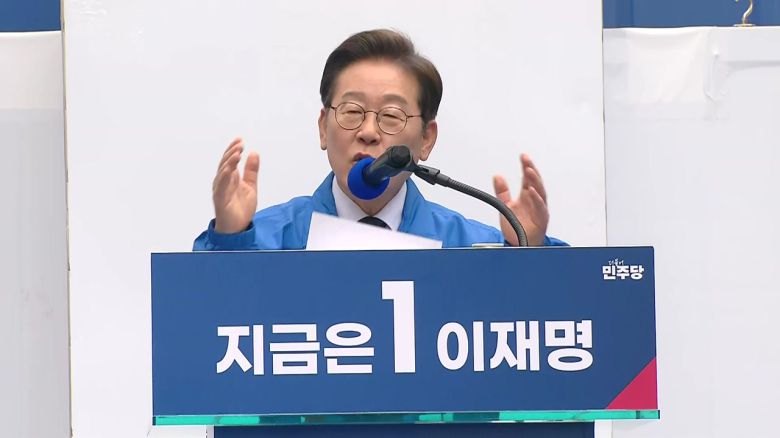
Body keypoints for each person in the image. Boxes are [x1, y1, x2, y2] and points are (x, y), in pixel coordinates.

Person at [194, 29, 566, 250]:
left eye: (390, 116)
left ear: (426, 140)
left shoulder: (471, 248)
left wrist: (529, 253)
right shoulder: (266, 240)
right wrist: (231, 239)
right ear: (323, 127)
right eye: (352, 111)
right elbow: (203, 319)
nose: (369, 132)